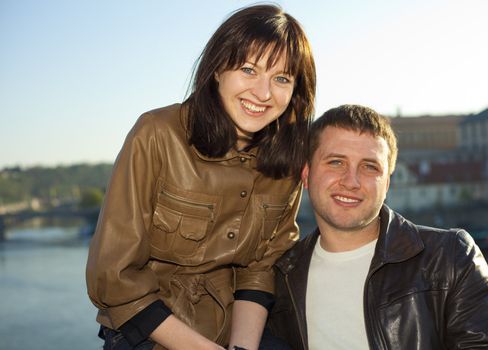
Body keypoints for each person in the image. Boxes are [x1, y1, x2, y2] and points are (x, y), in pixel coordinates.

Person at [86, 4, 316, 350]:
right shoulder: (157, 134)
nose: (263, 93)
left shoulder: (284, 161)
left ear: (295, 91)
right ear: (217, 70)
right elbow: (114, 278)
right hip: (150, 331)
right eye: (249, 70)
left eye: (281, 78)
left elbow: (260, 267)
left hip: (235, 328)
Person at [266, 104, 488, 349]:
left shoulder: (449, 257)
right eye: (336, 162)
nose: (351, 181)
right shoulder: (281, 274)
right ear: (306, 175)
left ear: (386, 184)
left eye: (369, 166)